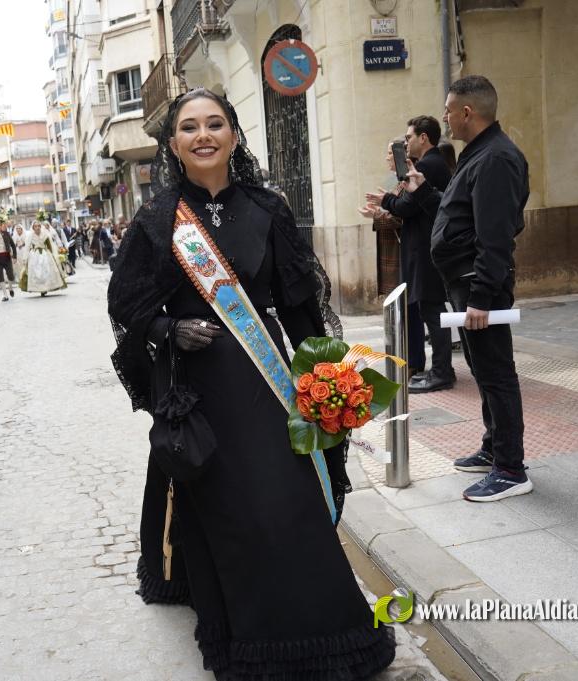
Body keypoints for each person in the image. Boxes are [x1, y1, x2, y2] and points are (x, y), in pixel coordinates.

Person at [107, 89, 394, 679]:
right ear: (174, 144)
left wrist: (327, 379)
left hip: (265, 385)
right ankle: (246, 638)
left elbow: (300, 306)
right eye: (190, 127)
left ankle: (326, 632)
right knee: (228, 513)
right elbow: (127, 304)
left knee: (286, 504)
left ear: (235, 136)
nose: (203, 135)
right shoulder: (158, 219)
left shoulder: (268, 209)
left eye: (216, 124)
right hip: (200, 391)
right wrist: (166, 327)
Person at [403, 75, 532, 502]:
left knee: (496, 374)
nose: (443, 116)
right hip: (468, 284)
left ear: (467, 112)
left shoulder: (495, 159)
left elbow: (495, 237)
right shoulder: (478, 155)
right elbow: (459, 214)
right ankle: (494, 447)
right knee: (482, 371)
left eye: (447, 109)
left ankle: (511, 469)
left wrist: (480, 297)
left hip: (481, 288)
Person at [365, 116, 455, 392]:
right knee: (429, 309)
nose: (406, 143)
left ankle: (442, 371)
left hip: (427, 250)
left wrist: (386, 201)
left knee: (432, 310)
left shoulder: (429, 165)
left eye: (409, 138)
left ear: (423, 138)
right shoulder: (432, 163)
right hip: (426, 247)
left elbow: (407, 206)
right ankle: (438, 369)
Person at [20, 222, 66, 296]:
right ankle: (40, 288)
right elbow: (27, 248)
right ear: (33, 228)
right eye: (35, 226)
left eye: (38, 226)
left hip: (45, 254)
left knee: (47, 271)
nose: (37, 228)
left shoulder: (45, 235)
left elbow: (49, 245)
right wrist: (25, 258)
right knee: (36, 272)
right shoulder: (30, 236)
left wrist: (53, 255)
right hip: (34, 255)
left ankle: (46, 287)